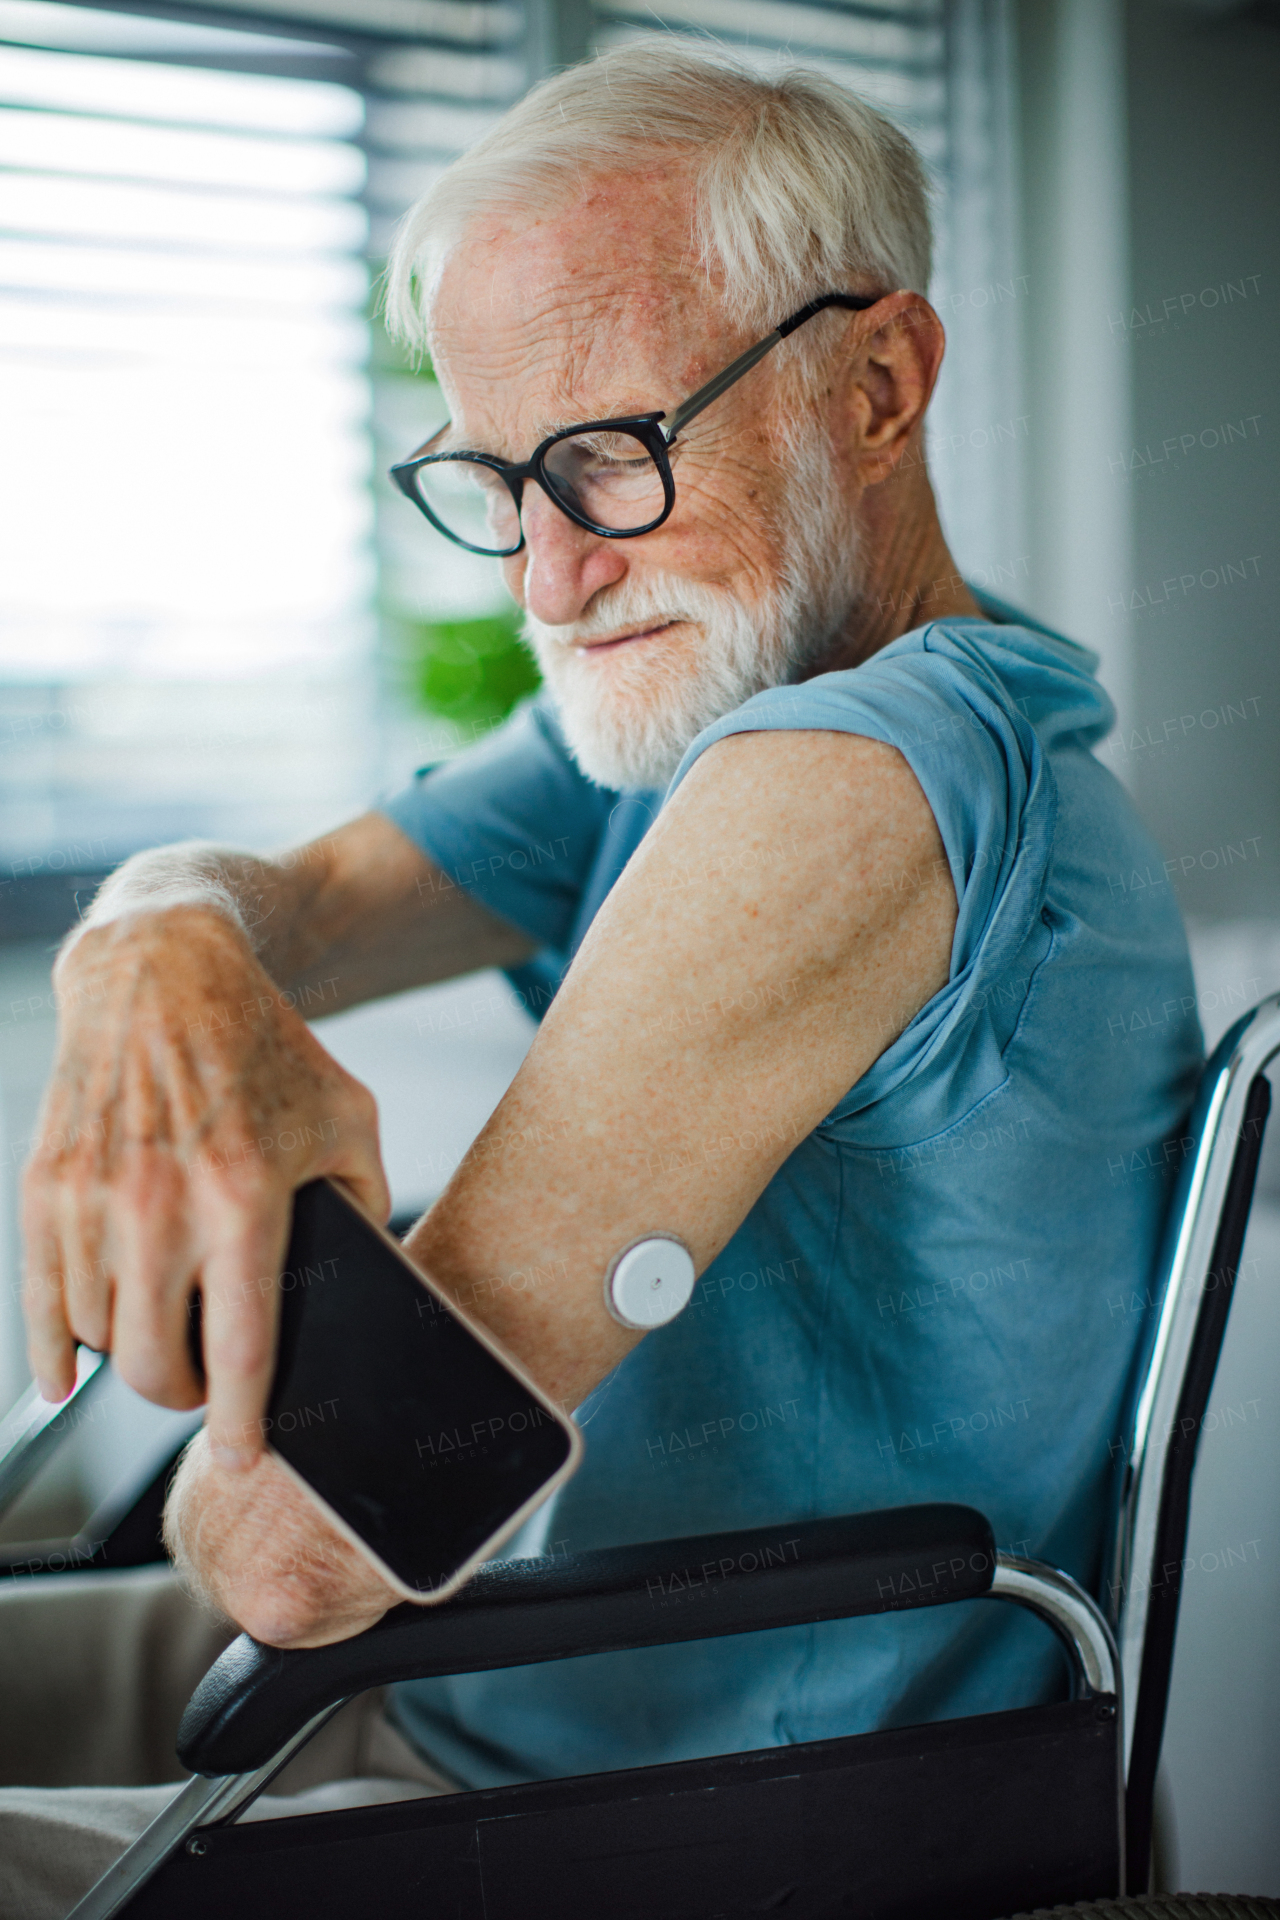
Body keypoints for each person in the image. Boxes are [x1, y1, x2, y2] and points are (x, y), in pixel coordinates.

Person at [3, 44, 1201, 1914]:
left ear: (878, 385)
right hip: (513, 1689)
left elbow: (310, 1551)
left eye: (612, 457)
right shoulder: (709, 685)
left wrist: (250, 1256)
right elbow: (296, 902)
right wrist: (153, 950)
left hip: (700, 1811)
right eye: (495, 480)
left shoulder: (851, 784)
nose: (548, 584)